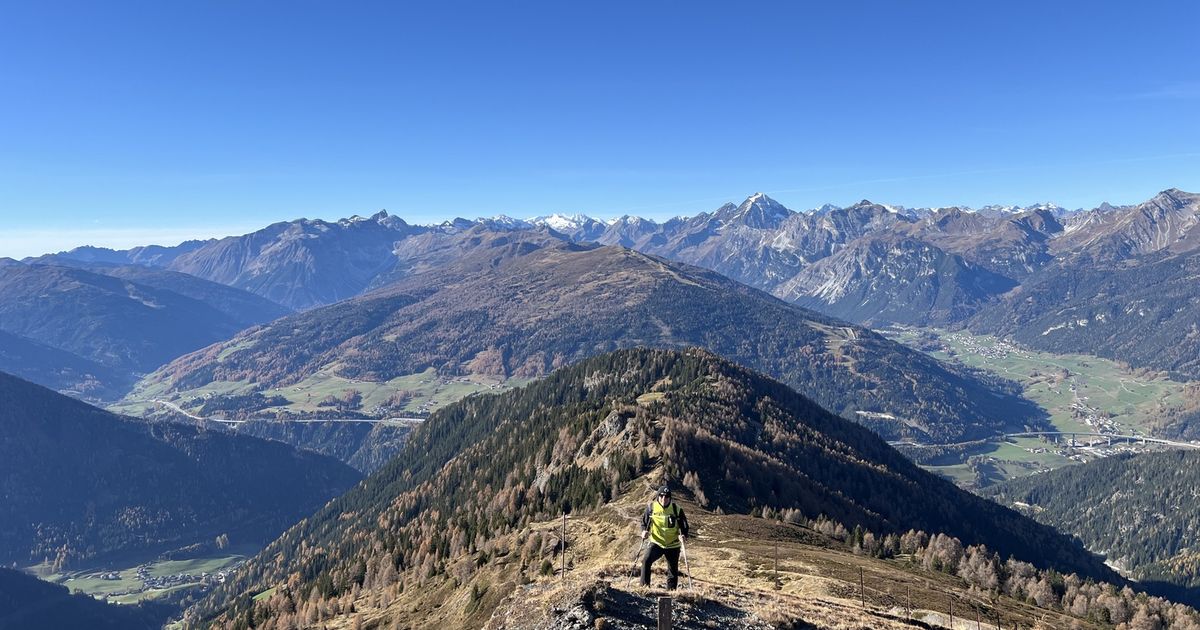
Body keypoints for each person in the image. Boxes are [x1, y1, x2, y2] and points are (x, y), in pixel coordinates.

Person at [640, 485, 690, 589]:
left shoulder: (677, 510)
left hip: (673, 544)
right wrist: (644, 531)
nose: (664, 499)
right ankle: (644, 588)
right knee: (646, 561)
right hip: (657, 542)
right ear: (658, 496)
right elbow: (644, 523)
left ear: (670, 498)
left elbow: (684, 526)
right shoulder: (651, 508)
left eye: (667, 497)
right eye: (661, 496)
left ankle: (671, 593)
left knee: (672, 570)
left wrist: (684, 535)